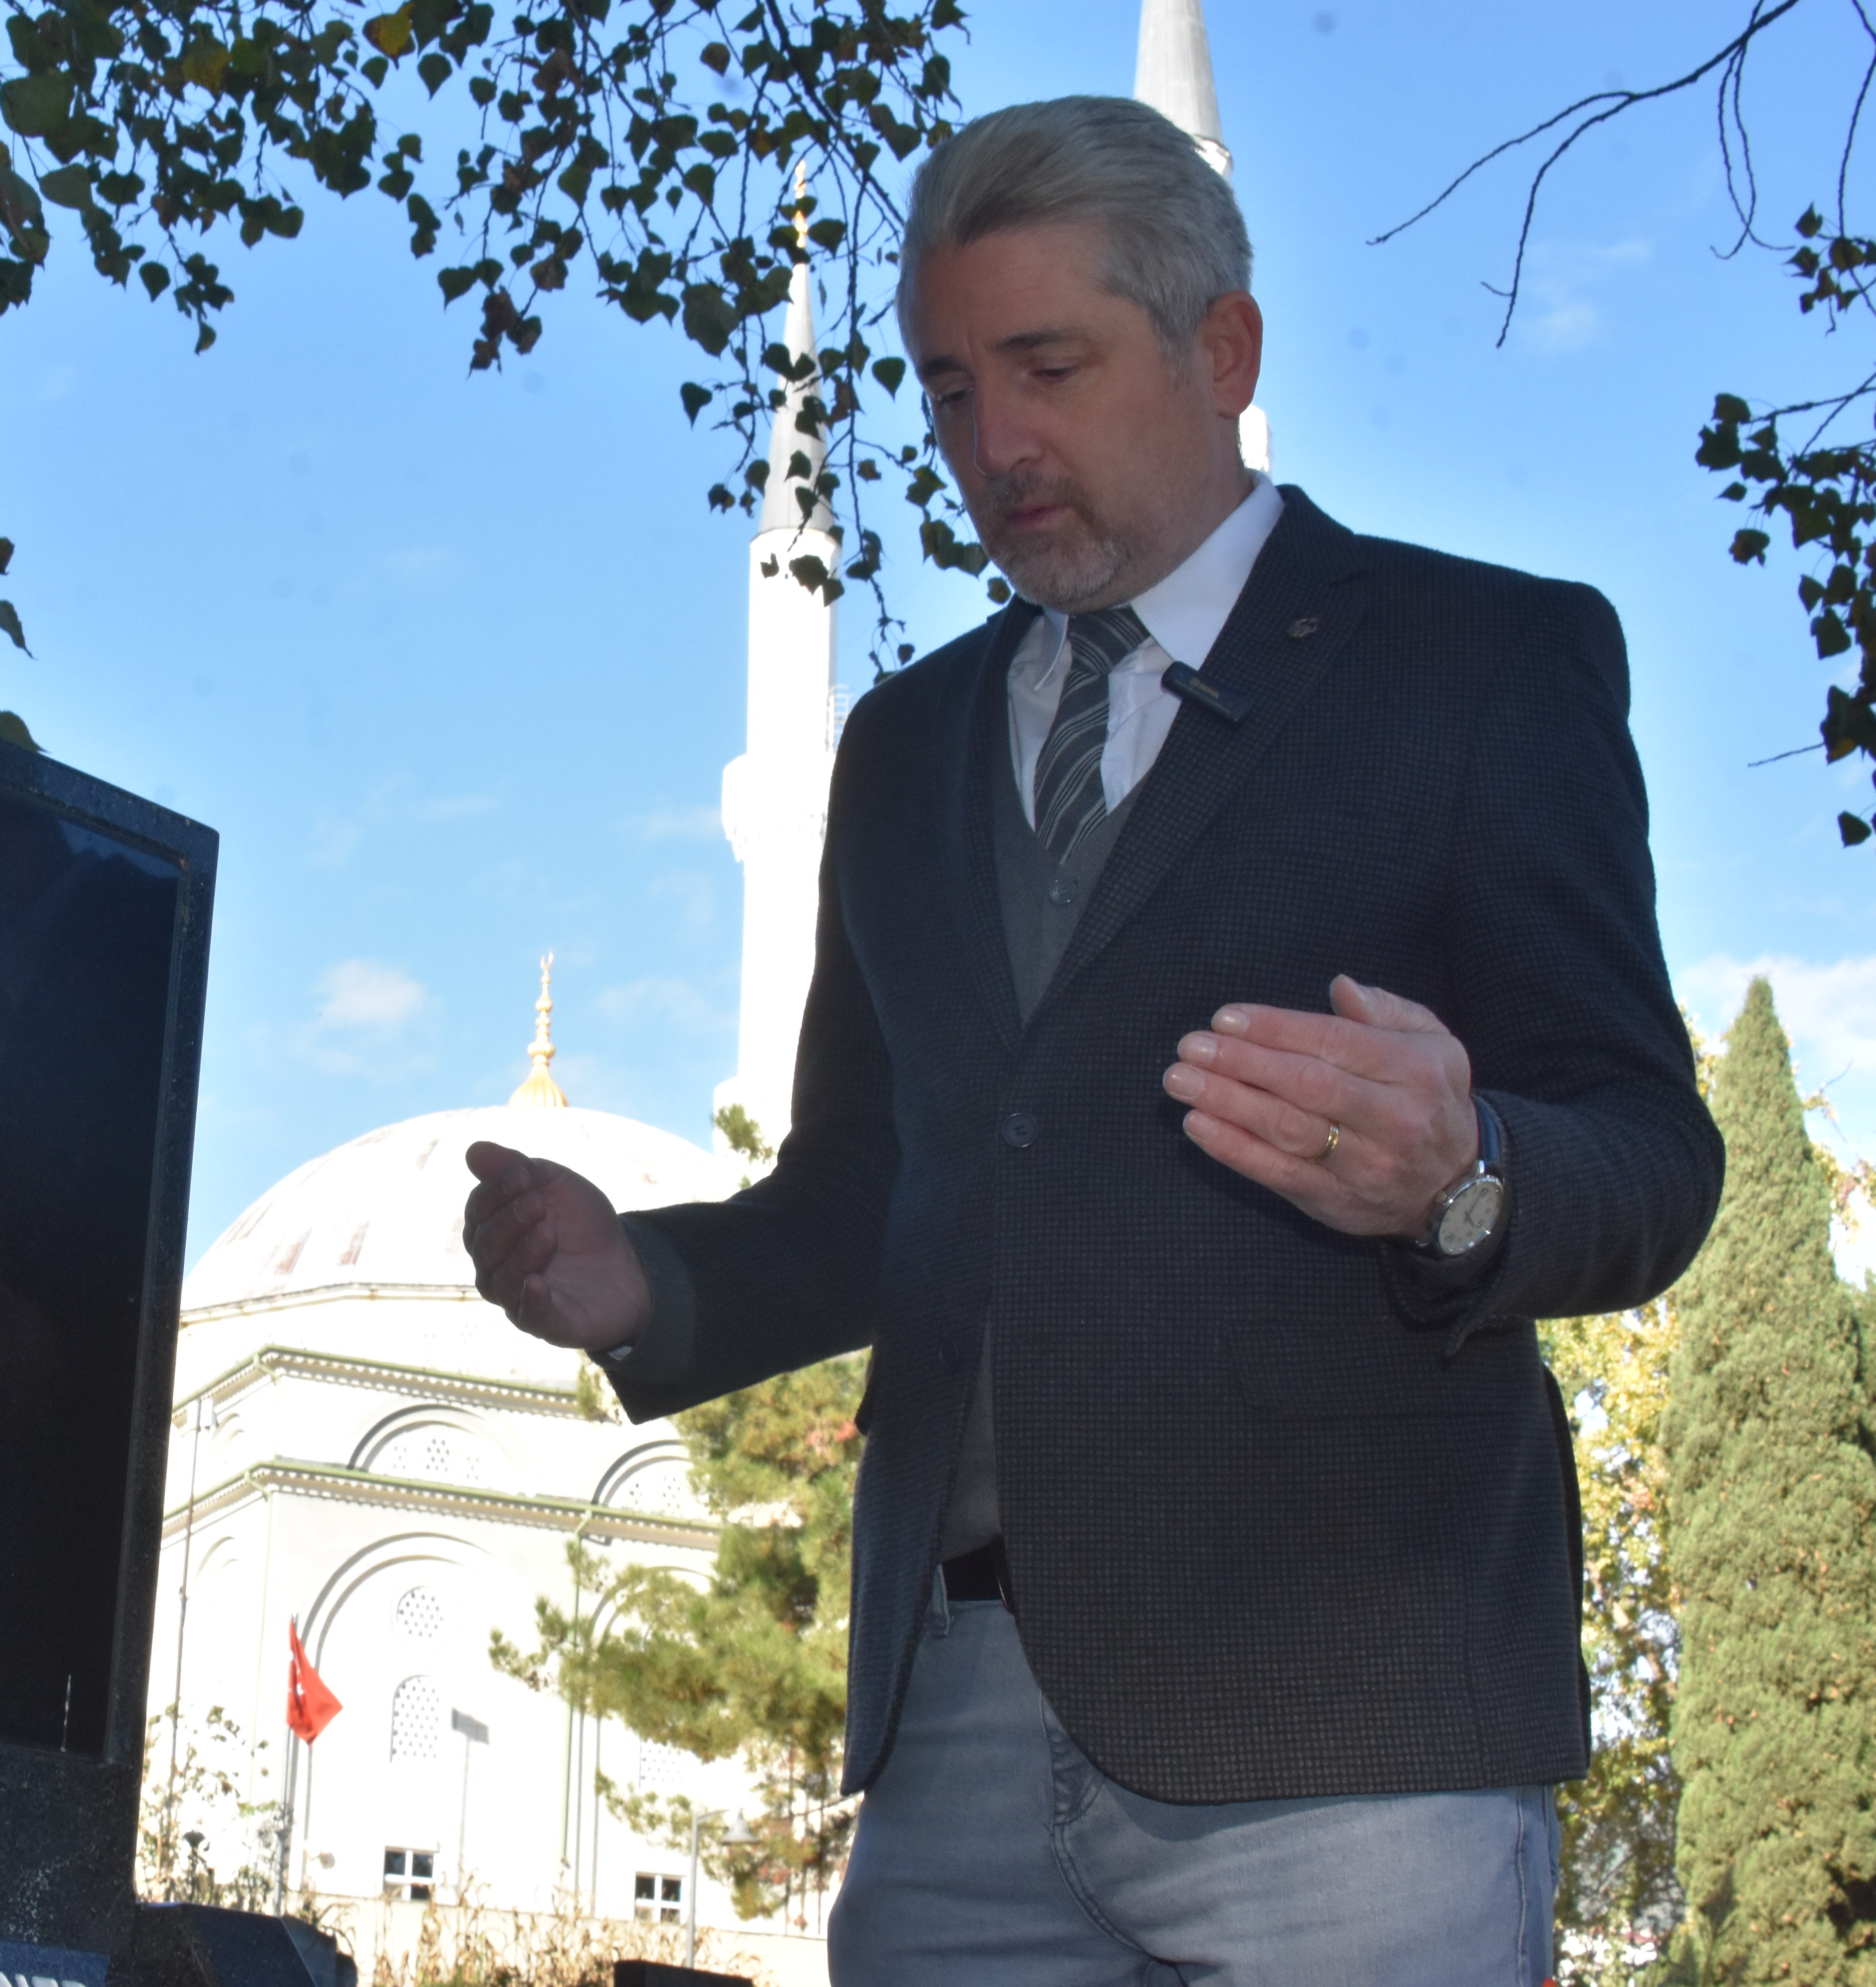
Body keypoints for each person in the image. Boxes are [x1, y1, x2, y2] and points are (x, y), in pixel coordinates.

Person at [461, 97, 1720, 1982]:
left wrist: (1466, 1180)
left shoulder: (1479, 665)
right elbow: (875, 1195)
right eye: (951, 387)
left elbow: (1648, 1157)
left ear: (1224, 351)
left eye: (1048, 366)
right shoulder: (898, 749)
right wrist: (634, 1276)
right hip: (956, 1727)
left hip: (1351, 1737)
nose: (993, 444)